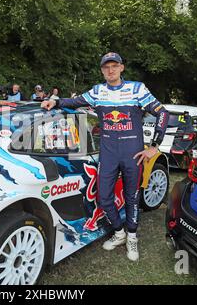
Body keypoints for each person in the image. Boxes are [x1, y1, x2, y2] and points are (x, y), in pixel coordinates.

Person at [41, 52, 169, 261]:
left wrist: (154, 146)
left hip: (133, 154)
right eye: (106, 67)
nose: (110, 70)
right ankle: (119, 232)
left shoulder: (137, 89)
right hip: (108, 154)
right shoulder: (97, 91)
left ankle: (132, 236)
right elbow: (75, 102)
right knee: (103, 197)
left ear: (121, 68)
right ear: (102, 70)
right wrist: (54, 102)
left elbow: (163, 113)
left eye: (114, 66)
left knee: (132, 198)